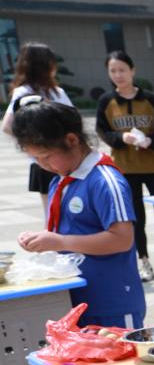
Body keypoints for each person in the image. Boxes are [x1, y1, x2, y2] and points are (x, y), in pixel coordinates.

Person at [11, 99, 145, 328]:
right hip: (75, 300)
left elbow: (122, 239)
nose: (43, 165)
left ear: (71, 140)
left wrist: (59, 241)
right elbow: (66, 232)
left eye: (46, 156)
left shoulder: (104, 180)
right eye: (35, 159)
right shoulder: (60, 181)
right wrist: (43, 239)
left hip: (112, 303)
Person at [95, 50, 154, 284]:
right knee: (135, 218)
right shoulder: (106, 102)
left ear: (132, 71)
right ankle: (144, 261)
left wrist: (151, 141)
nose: (118, 75)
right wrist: (121, 139)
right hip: (125, 169)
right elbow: (103, 131)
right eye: (113, 71)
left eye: (122, 69)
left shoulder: (150, 100)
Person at [1, 42, 74, 205]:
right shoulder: (25, 92)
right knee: (55, 214)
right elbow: (7, 126)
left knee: (66, 212)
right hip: (45, 162)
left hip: (63, 158)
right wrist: (38, 143)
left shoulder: (56, 91)